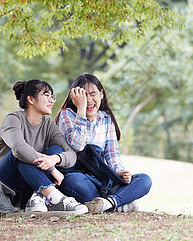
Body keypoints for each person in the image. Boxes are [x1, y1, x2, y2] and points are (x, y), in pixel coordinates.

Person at [0, 79, 88, 214]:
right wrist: (52, 168)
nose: (51, 100)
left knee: (56, 151)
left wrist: (55, 159)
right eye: (46, 95)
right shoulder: (13, 118)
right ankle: (57, 199)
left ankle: (37, 198)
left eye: (52, 96)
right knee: (19, 154)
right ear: (31, 99)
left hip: (21, 189)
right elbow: (18, 148)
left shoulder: (48, 125)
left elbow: (71, 154)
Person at [55, 73, 152, 213]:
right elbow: (77, 145)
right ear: (75, 97)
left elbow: (112, 153)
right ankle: (120, 202)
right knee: (73, 181)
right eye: (83, 95)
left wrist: (119, 171)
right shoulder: (66, 115)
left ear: (101, 94)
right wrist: (81, 110)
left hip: (102, 178)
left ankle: (108, 203)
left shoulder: (106, 119)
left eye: (93, 94)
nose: (89, 99)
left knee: (144, 180)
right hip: (79, 176)